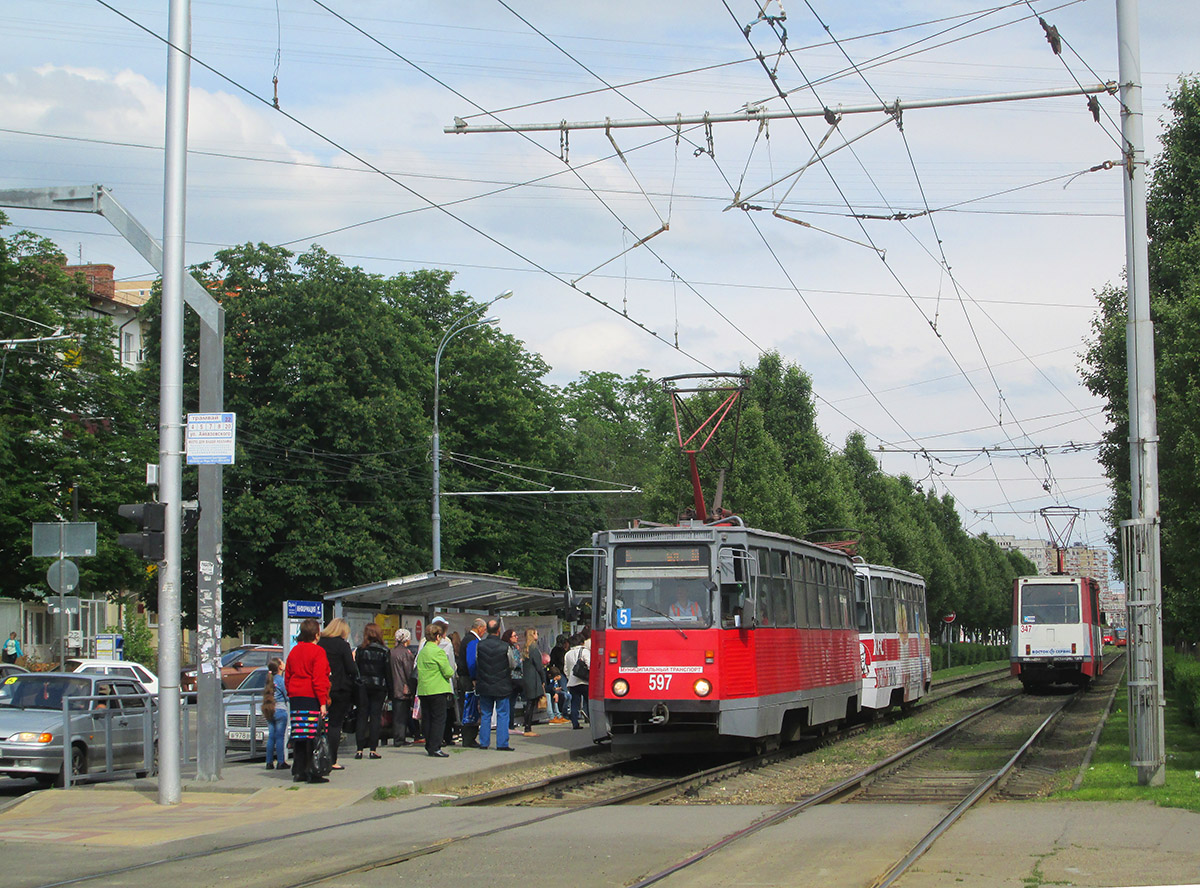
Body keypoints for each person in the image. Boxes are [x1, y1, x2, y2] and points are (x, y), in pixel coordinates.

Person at [285, 618, 331, 783]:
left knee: (299, 734)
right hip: (312, 696)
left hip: (296, 697)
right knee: (314, 735)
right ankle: (313, 770)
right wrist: (323, 703)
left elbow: (288, 676)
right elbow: (319, 679)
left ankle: (298, 770)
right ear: (317, 634)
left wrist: (291, 692)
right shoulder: (318, 652)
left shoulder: (294, 651)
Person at [318, 617, 357, 770]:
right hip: (340, 689)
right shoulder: (343, 645)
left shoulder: (320, 643)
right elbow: (351, 669)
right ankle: (332, 760)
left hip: (323, 688)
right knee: (334, 725)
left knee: (319, 725)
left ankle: (317, 756)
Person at [474, 618, 514, 751]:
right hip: (502, 684)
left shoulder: (480, 645)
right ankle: (502, 743)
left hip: (484, 684)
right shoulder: (505, 646)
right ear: (498, 630)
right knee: (502, 714)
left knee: (486, 714)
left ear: (487, 631)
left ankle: (484, 742)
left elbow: (477, 662)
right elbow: (512, 664)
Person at [354, 622, 392, 759]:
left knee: (362, 715)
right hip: (379, 687)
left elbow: (356, 670)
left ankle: (359, 749)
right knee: (375, 716)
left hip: (363, 686)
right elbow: (388, 673)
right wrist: (390, 691)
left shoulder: (360, 650)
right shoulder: (384, 651)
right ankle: (373, 749)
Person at [415, 625, 454, 757]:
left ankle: (429, 745)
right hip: (437, 689)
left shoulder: (423, 652)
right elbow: (448, 672)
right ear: (437, 637)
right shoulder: (438, 652)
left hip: (424, 690)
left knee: (427, 718)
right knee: (439, 719)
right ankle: (435, 746)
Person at [458, 617, 486, 747]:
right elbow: (471, 661)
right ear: (479, 628)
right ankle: (469, 738)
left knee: (468, 706)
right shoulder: (472, 640)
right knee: (471, 708)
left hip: (465, 677)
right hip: (469, 679)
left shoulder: (467, 639)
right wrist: (474, 678)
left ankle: (468, 737)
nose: (484, 632)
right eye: (484, 630)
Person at [388, 628, 416, 746]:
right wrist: (411, 687)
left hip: (393, 687)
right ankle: (400, 738)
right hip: (403, 687)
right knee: (402, 715)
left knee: (397, 713)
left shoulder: (391, 652)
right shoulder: (406, 653)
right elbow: (409, 672)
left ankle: (398, 737)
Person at [262, 656, 288, 770]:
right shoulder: (280, 680)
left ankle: (269, 762)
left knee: (271, 737)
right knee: (280, 737)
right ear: (280, 667)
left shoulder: (270, 679)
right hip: (280, 710)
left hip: (270, 709)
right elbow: (287, 694)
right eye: (282, 662)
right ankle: (281, 761)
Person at [521, 628, 546, 737]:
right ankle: (528, 728)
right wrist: (543, 679)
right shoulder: (534, 649)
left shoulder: (526, 648)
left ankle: (527, 726)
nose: (537, 635)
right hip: (534, 679)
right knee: (530, 705)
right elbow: (539, 667)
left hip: (527, 678)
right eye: (536, 633)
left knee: (529, 704)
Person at [563, 633, 591, 730]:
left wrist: (569, 677)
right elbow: (590, 665)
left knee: (574, 703)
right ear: (582, 642)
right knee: (589, 702)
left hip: (572, 683)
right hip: (585, 682)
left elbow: (565, 669)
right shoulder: (585, 651)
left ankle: (575, 723)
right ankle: (591, 720)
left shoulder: (567, 654)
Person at [501, 627, 522, 729]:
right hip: (514, 678)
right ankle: (510, 724)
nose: (516, 637)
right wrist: (520, 659)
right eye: (514, 636)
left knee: (509, 702)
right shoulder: (511, 649)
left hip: (509, 678)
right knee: (511, 702)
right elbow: (516, 663)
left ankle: (508, 723)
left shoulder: (509, 647)